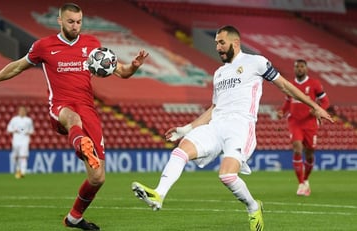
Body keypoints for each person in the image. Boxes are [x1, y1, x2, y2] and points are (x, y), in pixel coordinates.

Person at [131, 25, 333, 231]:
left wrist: (315, 106)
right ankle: (159, 194)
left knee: (226, 176)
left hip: (240, 126)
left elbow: (285, 86)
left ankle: (253, 207)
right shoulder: (219, 73)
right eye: (216, 43)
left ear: (235, 43)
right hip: (216, 125)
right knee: (181, 150)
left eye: (221, 43)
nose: (217, 47)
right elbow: (214, 108)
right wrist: (186, 128)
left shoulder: (256, 62)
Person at [0, 3, 148, 230]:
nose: (76, 26)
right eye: (71, 21)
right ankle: (81, 144)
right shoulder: (44, 46)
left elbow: (121, 72)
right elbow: (16, 67)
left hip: (88, 109)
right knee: (73, 119)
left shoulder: (92, 45)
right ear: (60, 21)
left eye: (79, 22)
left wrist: (133, 66)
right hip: (61, 107)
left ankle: (73, 218)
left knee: (98, 178)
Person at [277, 59, 330, 196]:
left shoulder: (315, 84)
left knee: (310, 153)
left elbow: (325, 101)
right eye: (297, 67)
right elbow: (288, 101)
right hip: (295, 122)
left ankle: (306, 180)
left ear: (306, 69)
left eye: (302, 67)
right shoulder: (290, 85)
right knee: (297, 147)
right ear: (294, 69)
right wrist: (283, 111)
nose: (299, 69)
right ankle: (301, 184)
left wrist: (319, 110)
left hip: (310, 123)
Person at [7, 106, 34, 179]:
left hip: (25, 140)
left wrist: (27, 132)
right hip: (16, 140)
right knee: (15, 156)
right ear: (18, 111)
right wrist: (14, 130)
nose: (22, 112)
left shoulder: (28, 120)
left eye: (23, 110)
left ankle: (23, 172)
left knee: (23, 156)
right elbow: (8, 129)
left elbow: (32, 130)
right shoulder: (14, 119)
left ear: (25, 112)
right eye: (20, 110)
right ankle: (18, 170)